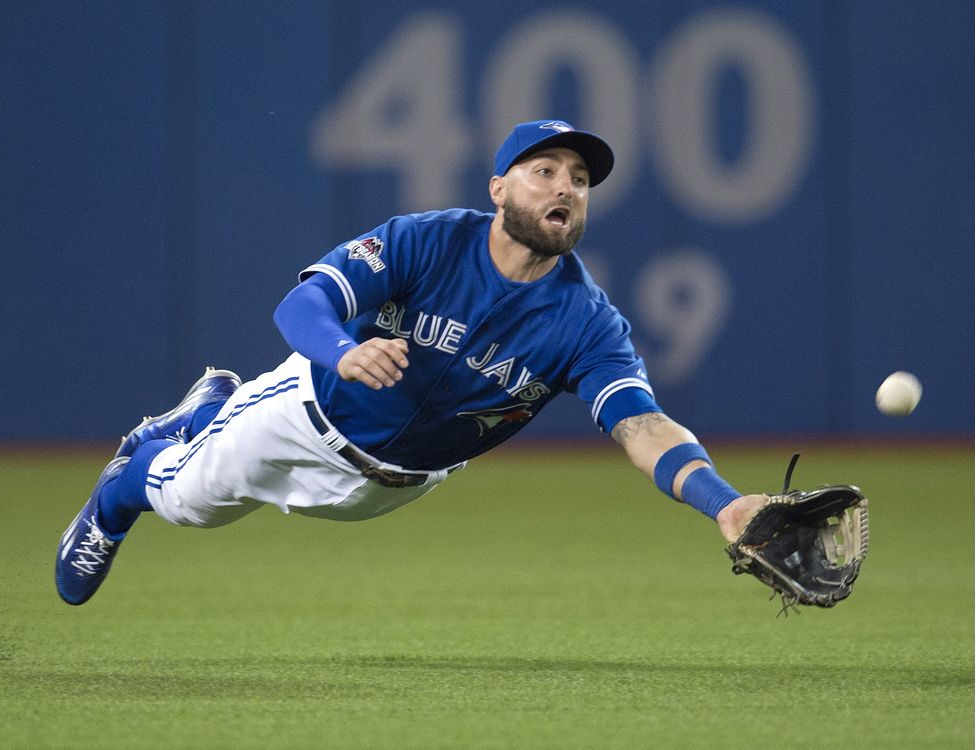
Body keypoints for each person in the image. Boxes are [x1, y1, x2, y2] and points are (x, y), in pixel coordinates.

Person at [55, 119, 766, 606]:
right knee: (186, 504)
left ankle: (208, 409)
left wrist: (723, 502)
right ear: (498, 190)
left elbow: (642, 428)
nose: (564, 187)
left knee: (222, 496)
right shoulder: (425, 241)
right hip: (301, 416)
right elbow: (301, 308)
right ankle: (123, 484)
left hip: (398, 485)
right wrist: (346, 350)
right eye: (543, 170)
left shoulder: (588, 322)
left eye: (579, 179)